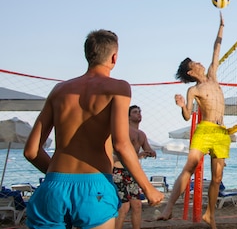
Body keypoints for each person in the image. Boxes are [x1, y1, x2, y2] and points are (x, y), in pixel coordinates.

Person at [23, 29, 164, 229]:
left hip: (53, 186)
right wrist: (148, 188)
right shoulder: (118, 88)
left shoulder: (59, 90)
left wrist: (60, 179)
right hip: (94, 185)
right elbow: (121, 144)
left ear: (88, 54)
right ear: (114, 57)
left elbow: (31, 151)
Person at [157, 13, 230, 229]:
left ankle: (210, 214)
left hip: (222, 132)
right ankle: (168, 209)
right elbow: (188, 116)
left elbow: (216, 49)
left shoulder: (213, 75)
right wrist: (182, 106)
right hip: (205, 129)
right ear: (191, 71)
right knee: (189, 167)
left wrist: (222, 26)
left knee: (217, 178)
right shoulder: (194, 89)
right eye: (194, 63)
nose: (199, 62)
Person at [113, 105, 157, 229]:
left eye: (140, 112)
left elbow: (147, 149)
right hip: (119, 170)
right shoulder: (123, 130)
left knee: (137, 205)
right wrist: (139, 155)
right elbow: (118, 153)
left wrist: (151, 152)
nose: (139, 114)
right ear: (128, 116)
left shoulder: (141, 134)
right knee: (124, 207)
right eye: (135, 112)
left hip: (132, 172)